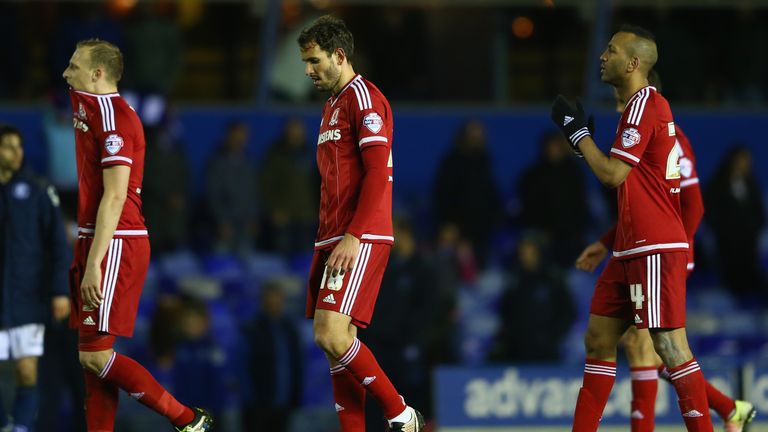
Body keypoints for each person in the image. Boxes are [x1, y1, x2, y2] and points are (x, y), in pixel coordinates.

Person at [550, 25, 713, 431]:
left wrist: (578, 134)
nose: (603, 57)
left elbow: (613, 175)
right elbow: (641, 189)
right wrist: (608, 242)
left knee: (669, 348)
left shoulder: (646, 105)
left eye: (611, 51)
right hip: (630, 247)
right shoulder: (635, 112)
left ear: (634, 63)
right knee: (599, 340)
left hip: (655, 246)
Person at [575, 70, 756, 432]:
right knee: (638, 349)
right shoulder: (633, 137)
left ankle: (726, 409)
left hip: (661, 256)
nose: (617, 103)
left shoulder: (674, 140)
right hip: (638, 251)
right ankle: (729, 407)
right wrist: (605, 243)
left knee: (651, 348)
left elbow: (692, 205)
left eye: (621, 96)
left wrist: (682, 256)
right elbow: (642, 203)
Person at [62, 38, 213, 431]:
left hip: (114, 240)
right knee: (93, 363)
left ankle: (187, 419)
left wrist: (94, 263)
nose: (65, 73)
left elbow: (114, 196)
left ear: (96, 74)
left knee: (95, 358)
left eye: (73, 66)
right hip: (94, 238)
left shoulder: (116, 119)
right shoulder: (90, 106)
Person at [298, 15, 424, 432]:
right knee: (338, 347)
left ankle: (401, 414)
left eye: (314, 61)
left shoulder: (364, 99)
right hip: (332, 235)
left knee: (330, 334)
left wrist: (353, 235)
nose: (308, 71)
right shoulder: (331, 105)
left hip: (360, 235)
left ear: (339, 55)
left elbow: (377, 174)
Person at [0, 125, 71, 431]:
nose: (17, 153)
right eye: (8, 147)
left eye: (20, 146)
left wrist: (59, 291)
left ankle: (20, 429)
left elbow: (58, 243)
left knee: (28, 371)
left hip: (27, 296)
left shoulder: (39, 190)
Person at [705, 145, 766, 305]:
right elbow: (711, 214)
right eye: (740, 160)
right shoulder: (717, 185)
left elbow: (759, 214)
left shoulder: (752, 185)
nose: (743, 164)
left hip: (748, 247)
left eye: (747, 161)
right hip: (727, 249)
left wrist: (752, 231)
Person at [241, 281, 303, 432]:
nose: (275, 303)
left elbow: (296, 364)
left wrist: (295, 395)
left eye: (278, 299)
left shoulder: (289, 329)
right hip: (258, 404)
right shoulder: (252, 329)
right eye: (270, 299)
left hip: (284, 402)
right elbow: (243, 365)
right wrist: (250, 398)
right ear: (263, 301)